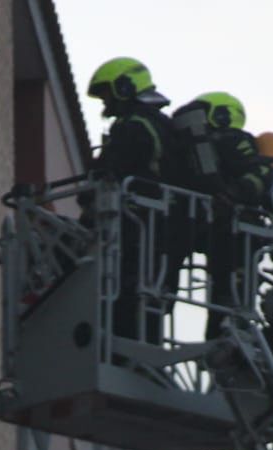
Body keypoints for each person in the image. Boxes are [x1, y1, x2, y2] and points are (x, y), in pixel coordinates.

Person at [85, 57, 185, 342]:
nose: (106, 104)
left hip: (137, 224)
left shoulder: (134, 126)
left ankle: (124, 351)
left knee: (128, 296)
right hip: (163, 228)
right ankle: (142, 353)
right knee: (149, 299)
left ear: (124, 88)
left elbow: (111, 169)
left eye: (107, 95)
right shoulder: (162, 124)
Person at [172, 92, 273, 336]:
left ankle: (230, 334)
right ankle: (221, 337)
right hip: (215, 227)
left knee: (231, 293)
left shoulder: (234, 140)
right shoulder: (194, 149)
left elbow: (260, 173)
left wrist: (233, 193)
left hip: (239, 229)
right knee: (221, 292)